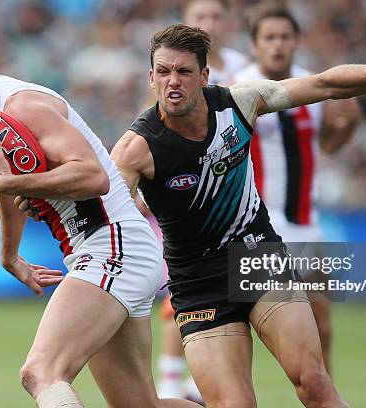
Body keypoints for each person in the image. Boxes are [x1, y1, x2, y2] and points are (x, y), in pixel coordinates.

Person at [108, 24, 366, 407]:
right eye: (164, 71)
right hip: (196, 282)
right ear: (151, 77)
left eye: (184, 72)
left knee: (314, 384)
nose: (173, 81)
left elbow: (324, 85)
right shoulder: (135, 149)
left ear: (204, 76)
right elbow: (107, 216)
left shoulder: (239, 103)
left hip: (256, 257)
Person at [0, 25, 202, 408]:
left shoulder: (22, 106)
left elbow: (94, 176)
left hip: (112, 241)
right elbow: (7, 183)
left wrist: (24, 181)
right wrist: (9, 253)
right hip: (104, 249)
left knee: (40, 372)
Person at [234, 4, 363, 374]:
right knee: (243, 323)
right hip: (252, 226)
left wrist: (349, 124)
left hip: (305, 223)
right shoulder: (238, 89)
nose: (278, 45)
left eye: (284, 37)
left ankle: (325, 393)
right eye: (269, 38)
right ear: (255, 45)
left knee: (321, 323)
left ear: (296, 42)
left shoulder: (315, 87)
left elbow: (325, 148)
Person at [156, 1, 248, 401]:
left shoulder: (245, 72)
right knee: (179, 297)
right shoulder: (176, 71)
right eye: (200, 17)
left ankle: (213, 377)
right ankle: (172, 380)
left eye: (215, 17)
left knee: (289, 310)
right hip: (188, 198)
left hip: (244, 200)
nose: (208, 23)